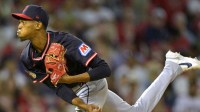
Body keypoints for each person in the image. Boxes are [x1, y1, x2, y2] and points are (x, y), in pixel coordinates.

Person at [11, 5, 200, 112]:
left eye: (23, 21)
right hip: (79, 93)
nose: (19, 25)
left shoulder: (66, 42)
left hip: (93, 84)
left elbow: (103, 69)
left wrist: (71, 79)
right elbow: (59, 88)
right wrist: (80, 103)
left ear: (38, 25)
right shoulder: (27, 58)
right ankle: (172, 67)